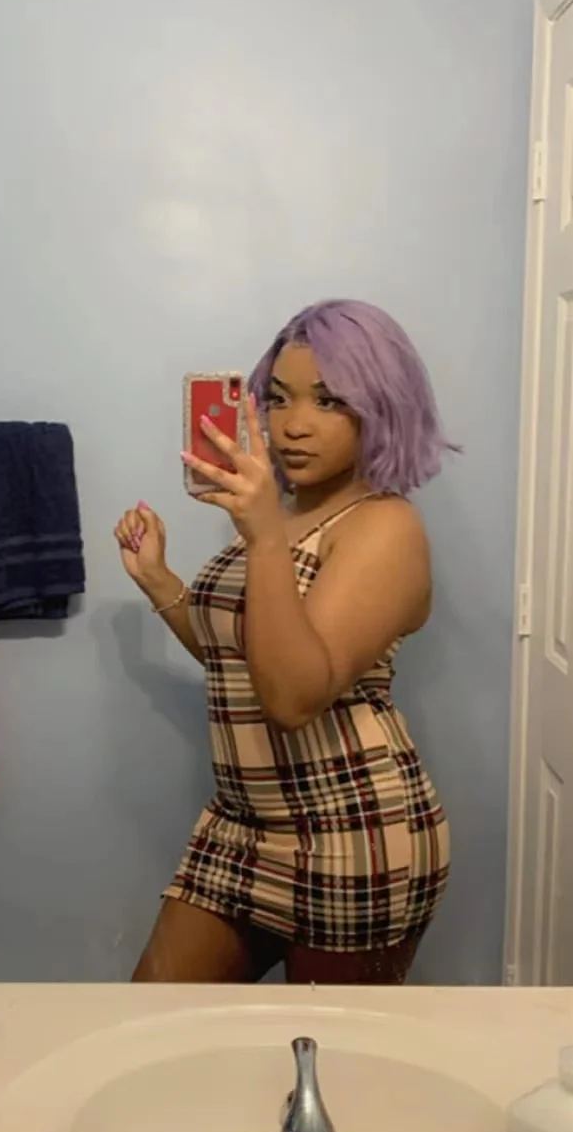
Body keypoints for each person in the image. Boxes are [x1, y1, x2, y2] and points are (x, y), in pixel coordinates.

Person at [114, 299, 453, 986]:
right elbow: (244, 663)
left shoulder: (385, 527)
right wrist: (160, 583)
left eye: (328, 401)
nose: (291, 424)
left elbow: (292, 697)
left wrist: (264, 535)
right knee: (152, 1018)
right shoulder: (284, 512)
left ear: (381, 408)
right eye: (276, 398)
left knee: (326, 1048)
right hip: (238, 826)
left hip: (351, 835)